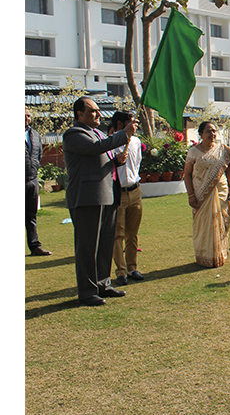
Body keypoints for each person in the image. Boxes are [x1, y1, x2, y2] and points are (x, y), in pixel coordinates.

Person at [63, 96, 137, 306]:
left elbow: (102, 155)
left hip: (107, 194)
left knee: (105, 243)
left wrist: (116, 160)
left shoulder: (98, 133)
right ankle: (87, 292)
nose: (98, 114)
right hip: (87, 197)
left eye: (97, 110)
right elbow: (96, 148)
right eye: (92, 111)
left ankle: (103, 284)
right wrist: (124, 134)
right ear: (79, 114)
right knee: (88, 247)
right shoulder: (74, 134)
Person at [184, 121, 230, 268]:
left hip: (222, 191)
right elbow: (186, 174)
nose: (212, 134)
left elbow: (229, 172)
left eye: (214, 131)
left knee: (223, 223)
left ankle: (220, 254)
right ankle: (205, 257)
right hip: (201, 194)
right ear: (201, 134)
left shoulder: (222, 150)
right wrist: (191, 195)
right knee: (203, 226)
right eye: (208, 131)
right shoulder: (193, 152)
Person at [108, 111, 144, 285]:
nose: (135, 125)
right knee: (118, 234)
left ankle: (132, 267)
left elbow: (136, 164)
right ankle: (120, 271)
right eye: (131, 122)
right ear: (121, 125)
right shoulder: (111, 142)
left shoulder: (136, 142)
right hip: (118, 192)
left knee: (133, 233)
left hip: (135, 190)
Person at [25, 108, 52, 256]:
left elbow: (38, 154)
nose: (26, 118)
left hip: (31, 180)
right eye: (23, 116)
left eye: (28, 116)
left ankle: (35, 246)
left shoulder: (34, 135)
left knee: (31, 215)